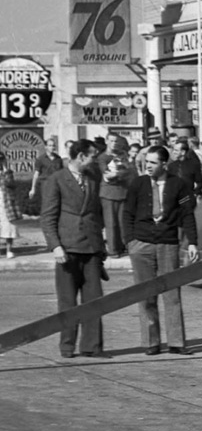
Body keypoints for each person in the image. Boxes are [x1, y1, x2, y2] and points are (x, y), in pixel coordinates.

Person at [120, 145, 198, 355]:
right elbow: (127, 213)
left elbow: (187, 213)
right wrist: (130, 242)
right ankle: (151, 342)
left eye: (153, 162)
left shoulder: (178, 185)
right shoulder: (138, 184)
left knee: (172, 293)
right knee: (146, 295)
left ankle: (176, 342)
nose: (149, 166)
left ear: (165, 164)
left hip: (167, 244)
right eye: (147, 162)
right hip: (141, 244)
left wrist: (192, 241)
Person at [40, 139, 108, 359]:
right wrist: (55, 245)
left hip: (91, 248)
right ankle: (67, 346)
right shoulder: (56, 180)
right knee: (68, 302)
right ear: (80, 156)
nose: (94, 160)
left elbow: (97, 213)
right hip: (67, 249)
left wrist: (101, 245)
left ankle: (92, 346)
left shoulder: (93, 178)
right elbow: (48, 216)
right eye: (91, 157)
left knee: (94, 300)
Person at [99, 136, 134, 257]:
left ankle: (124, 246)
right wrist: (120, 173)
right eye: (112, 141)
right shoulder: (103, 157)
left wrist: (118, 173)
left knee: (122, 222)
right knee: (111, 222)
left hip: (123, 192)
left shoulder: (122, 155)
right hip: (108, 193)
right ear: (106, 141)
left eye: (116, 141)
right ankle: (113, 249)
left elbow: (129, 171)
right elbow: (107, 175)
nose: (114, 144)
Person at [28, 135, 61, 207]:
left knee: (56, 203)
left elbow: (61, 173)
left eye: (53, 146)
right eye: (50, 145)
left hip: (56, 184)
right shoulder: (41, 159)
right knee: (47, 203)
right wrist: (33, 189)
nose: (52, 147)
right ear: (46, 147)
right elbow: (36, 174)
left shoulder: (58, 159)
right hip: (45, 184)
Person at [1, 151, 21, 259]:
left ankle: (9, 250)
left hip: (6, 201)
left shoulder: (8, 172)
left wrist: (4, 169)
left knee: (8, 226)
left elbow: (11, 184)